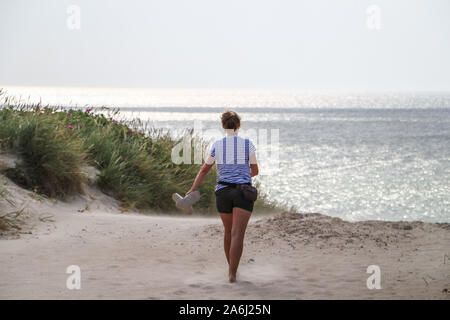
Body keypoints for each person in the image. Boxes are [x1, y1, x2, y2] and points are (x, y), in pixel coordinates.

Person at [186, 110, 259, 283]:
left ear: (223, 126)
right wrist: (242, 173)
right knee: (238, 233)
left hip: (223, 192)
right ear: (239, 125)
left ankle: (231, 271)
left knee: (228, 232)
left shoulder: (217, 145)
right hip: (242, 192)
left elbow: (204, 169)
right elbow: (255, 170)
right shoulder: (247, 144)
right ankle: (233, 274)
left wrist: (192, 189)